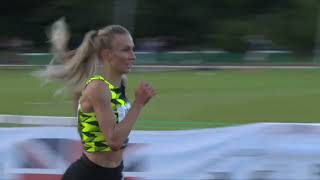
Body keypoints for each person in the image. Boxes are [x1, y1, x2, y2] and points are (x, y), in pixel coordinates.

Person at [39, 18, 156, 180]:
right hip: (89, 175)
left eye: (132, 49)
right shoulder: (98, 88)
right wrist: (138, 103)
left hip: (113, 173)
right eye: (126, 50)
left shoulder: (120, 84)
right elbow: (113, 141)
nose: (133, 56)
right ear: (107, 55)